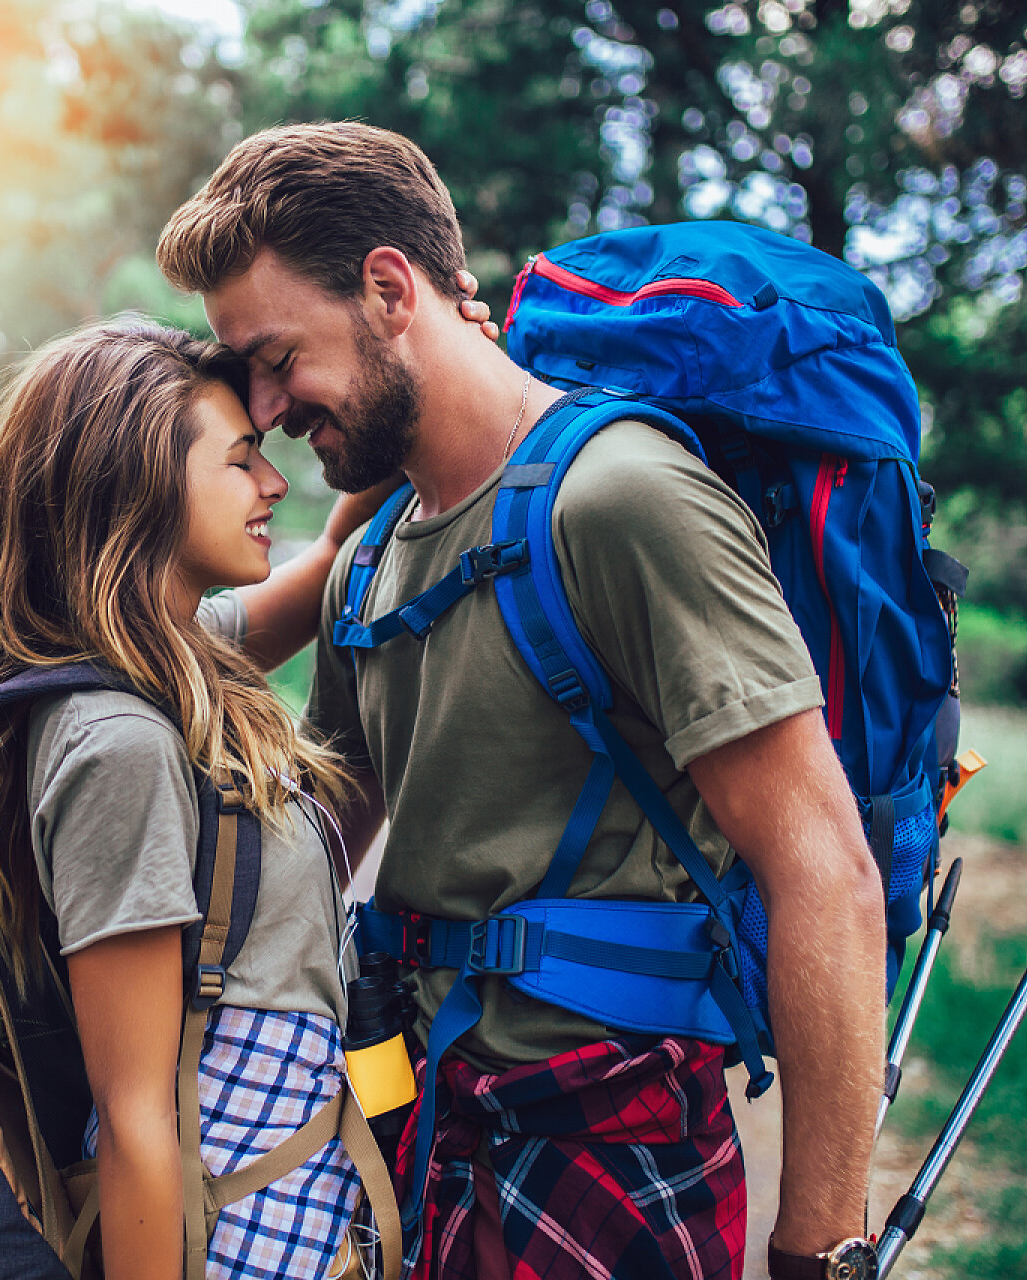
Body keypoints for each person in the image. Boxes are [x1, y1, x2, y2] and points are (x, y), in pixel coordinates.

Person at [157, 123, 888, 1280]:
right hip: (424, 1133)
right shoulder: (372, 560)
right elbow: (322, 845)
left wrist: (821, 1245)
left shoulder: (624, 498)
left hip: (612, 1154)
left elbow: (823, 869)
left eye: (276, 354)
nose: (263, 402)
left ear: (390, 288)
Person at [0, 319, 387, 1280]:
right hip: (237, 1247)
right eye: (241, 461)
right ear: (141, 493)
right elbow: (135, 1118)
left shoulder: (168, 661)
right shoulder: (118, 744)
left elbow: (331, 555)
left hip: (294, 1216)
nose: (273, 485)